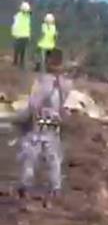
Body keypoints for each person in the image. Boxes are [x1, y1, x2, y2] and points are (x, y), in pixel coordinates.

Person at [14, 48, 71, 202]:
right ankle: (55, 189)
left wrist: (21, 120)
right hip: (54, 125)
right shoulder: (66, 84)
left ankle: (25, 188)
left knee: (30, 157)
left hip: (38, 124)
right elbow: (65, 107)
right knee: (54, 159)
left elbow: (33, 105)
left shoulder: (42, 82)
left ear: (47, 62)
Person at [10, 2, 31, 70]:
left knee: (20, 49)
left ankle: (17, 62)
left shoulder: (21, 16)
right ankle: (18, 62)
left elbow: (15, 25)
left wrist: (14, 32)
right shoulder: (26, 16)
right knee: (20, 49)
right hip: (22, 35)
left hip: (22, 35)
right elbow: (15, 25)